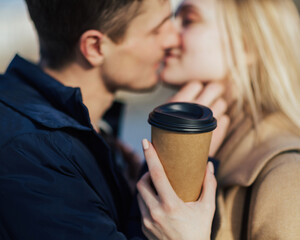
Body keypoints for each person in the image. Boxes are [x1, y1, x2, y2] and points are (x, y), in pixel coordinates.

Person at [0, 0, 229, 239]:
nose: (173, 39)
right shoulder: (30, 154)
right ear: (95, 47)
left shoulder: (81, 134)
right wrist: (182, 167)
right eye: (157, 29)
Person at [158, 0, 300, 239]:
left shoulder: (292, 180)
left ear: (246, 45)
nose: (166, 35)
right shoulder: (218, 151)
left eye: (188, 20)